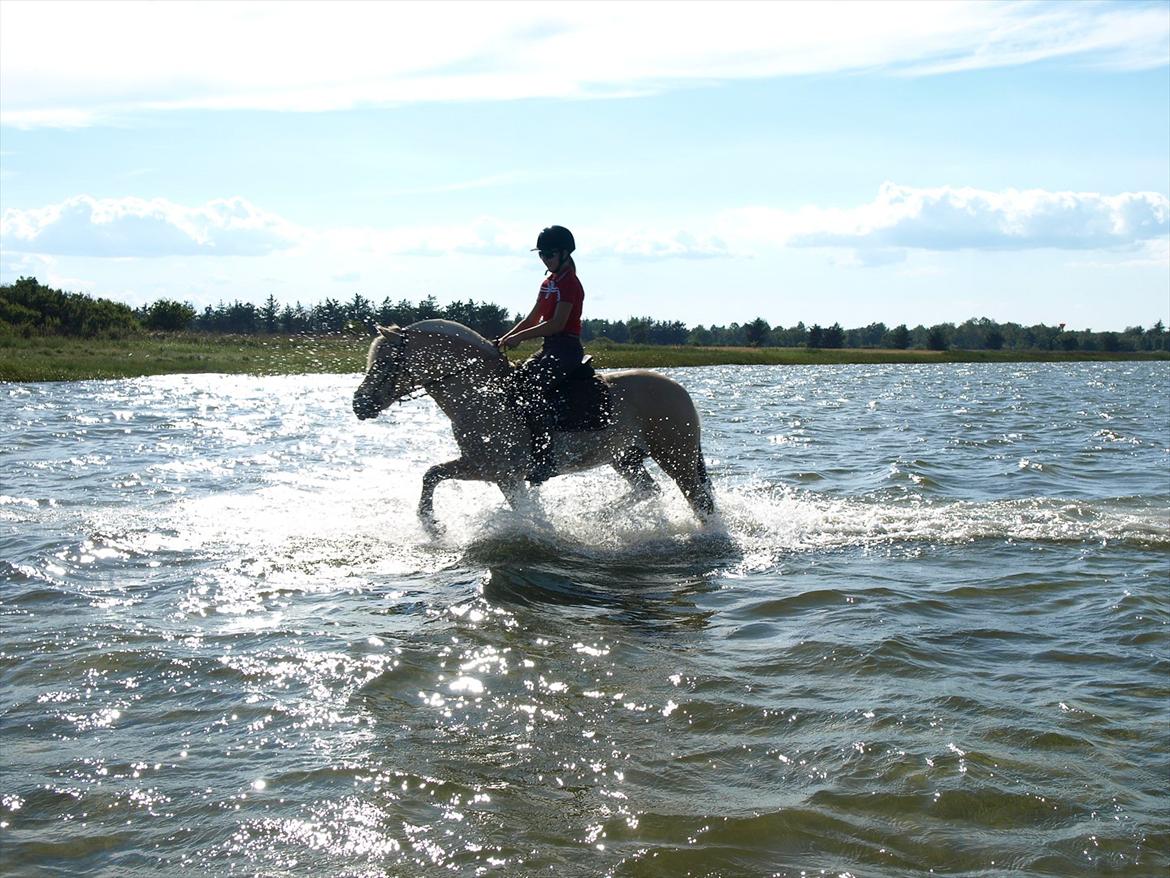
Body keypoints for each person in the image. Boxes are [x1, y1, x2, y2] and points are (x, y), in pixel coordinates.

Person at [495, 225, 586, 483]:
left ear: (565, 253)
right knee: (513, 384)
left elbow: (557, 324)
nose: (545, 258)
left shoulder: (570, 283)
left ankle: (545, 459)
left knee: (532, 389)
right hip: (548, 348)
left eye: (549, 253)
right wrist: (504, 338)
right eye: (541, 254)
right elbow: (533, 318)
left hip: (566, 349)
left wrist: (518, 338)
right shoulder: (548, 283)